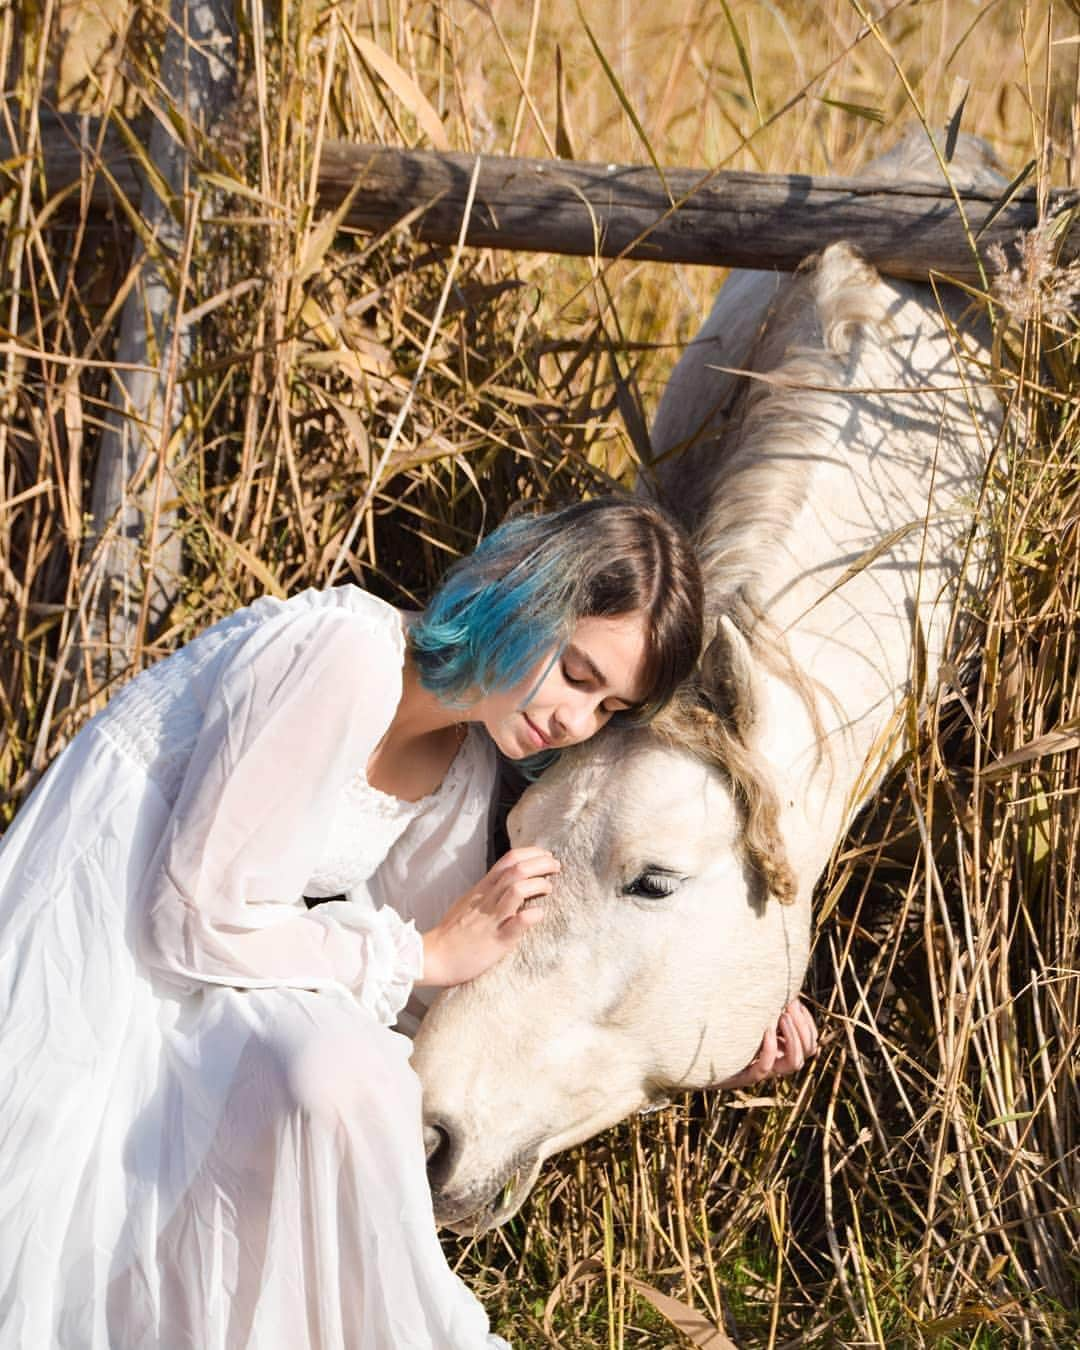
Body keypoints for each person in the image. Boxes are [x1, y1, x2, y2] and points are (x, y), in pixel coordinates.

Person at [0, 496, 810, 1349]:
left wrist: (694, 1051)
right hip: (95, 951)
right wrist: (415, 951)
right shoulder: (344, 654)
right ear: (528, 592)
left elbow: (440, 996)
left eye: (609, 710)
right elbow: (192, 917)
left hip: (193, 981)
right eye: (577, 672)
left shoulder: (464, 763)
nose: (575, 721)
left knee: (357, 1073)